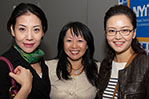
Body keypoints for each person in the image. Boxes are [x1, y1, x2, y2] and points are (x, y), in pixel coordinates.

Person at [96, 5, 149, 99]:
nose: (118, 37)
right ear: (106, 33)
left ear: (134, 33)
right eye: (112, 31)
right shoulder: (105, 65)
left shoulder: (146, 65)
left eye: (124, 30)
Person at [0, 3, 50, 99]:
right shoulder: (3, 65)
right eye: (22, 29)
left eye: (36, 30)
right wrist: (25, 88)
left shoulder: (39, 58)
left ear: (43, 31)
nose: (29, 37)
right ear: (12, 30)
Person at [45, 21, 100, 99]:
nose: (74, 46)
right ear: (62, 44)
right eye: (69, 40)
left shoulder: (98, 69)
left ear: (87, 45)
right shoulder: (48, 67)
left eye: (80, 41)